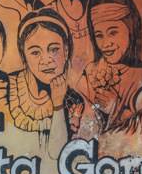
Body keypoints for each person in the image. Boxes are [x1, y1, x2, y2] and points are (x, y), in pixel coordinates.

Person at [76, 0, 142, 132]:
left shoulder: (141, 78)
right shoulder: (89, 72)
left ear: (130, 29)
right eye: (99, 35)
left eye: (113, 32)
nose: (106, 44)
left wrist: (115, 108)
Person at [7, 8, 86, 150]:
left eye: (54, 49)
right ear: (24, 55)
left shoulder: (74, 102)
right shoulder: (8, 87)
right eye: (35, 52)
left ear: (66, 50)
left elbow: (59, 154)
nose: (46, 60)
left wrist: (58, 105)